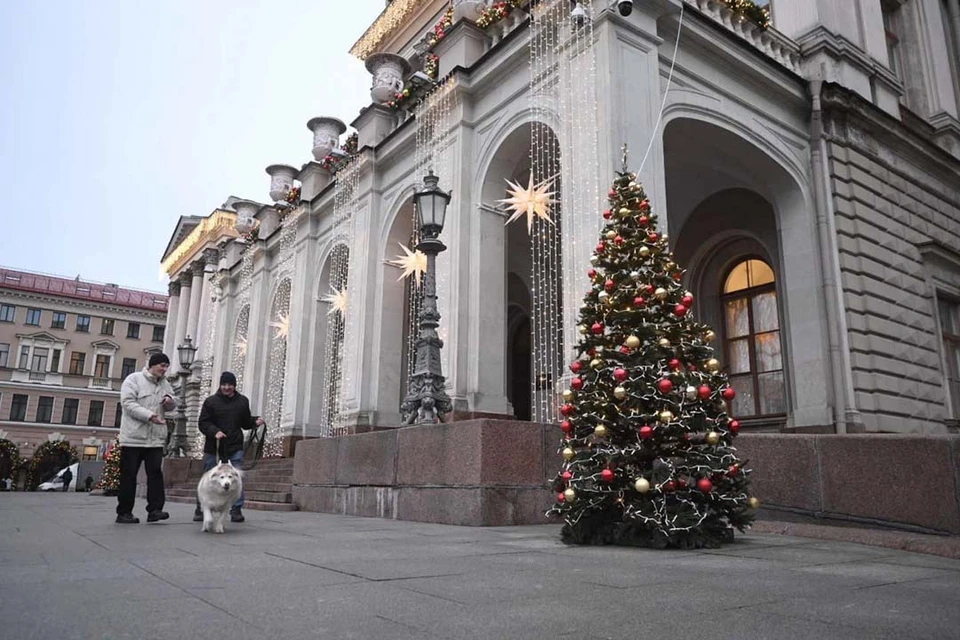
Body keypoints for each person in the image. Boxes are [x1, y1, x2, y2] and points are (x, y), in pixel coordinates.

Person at [195, 371, 264, 523]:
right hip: (214, 446)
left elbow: (245, 422)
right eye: (224, 384)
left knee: (236, 478)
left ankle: (236, 508)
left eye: (230, 385)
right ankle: (202, 507)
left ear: (234, 385)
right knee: (208, 477)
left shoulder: (242, 401)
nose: (227, 387)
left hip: (234, 445)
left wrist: (254, 422)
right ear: (220, 385)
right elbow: (203, 423)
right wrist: (215, 432)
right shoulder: (211, 401)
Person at [116, 353, 176, 524]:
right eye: (162, 366)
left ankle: (155, 510)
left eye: (166, 366)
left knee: (155, 474)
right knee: (129, 476)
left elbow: (173, 404)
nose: (164, 370)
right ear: (152, 365)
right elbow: (127, 403)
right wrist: (150, 416)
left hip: (155, 438)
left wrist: (169, 401)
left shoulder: (165, 384)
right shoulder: (133, 379)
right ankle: (124, 512)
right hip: (133, 437)